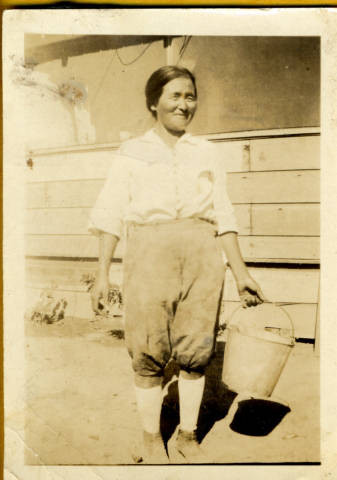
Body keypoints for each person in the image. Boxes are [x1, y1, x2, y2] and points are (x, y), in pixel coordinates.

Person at [89, 65, 265, 464]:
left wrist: (241, 274)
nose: (184, 104)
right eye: (175, 96)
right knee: (148, 350)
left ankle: (187, 434)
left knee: (196, 349)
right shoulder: (131, 151)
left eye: (190, 96)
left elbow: (223, 214)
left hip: (203, 255)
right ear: (154, 102)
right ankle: (151, 438)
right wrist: (102, 275)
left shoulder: (206, 151)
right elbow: (110, 213)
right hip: (149, 255)